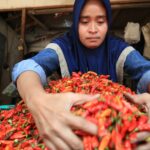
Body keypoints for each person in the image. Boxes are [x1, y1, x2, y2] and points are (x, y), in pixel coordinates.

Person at [12, 0, 150, 149]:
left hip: (113, 117)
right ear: (75, 22)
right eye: (84, 22)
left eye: (100, 21)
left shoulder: (117, 47)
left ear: (107, 23)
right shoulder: (64, 45)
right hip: (66, 118)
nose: (93, 29)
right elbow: (27, 67)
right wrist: (37, 99)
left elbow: (145, 70)